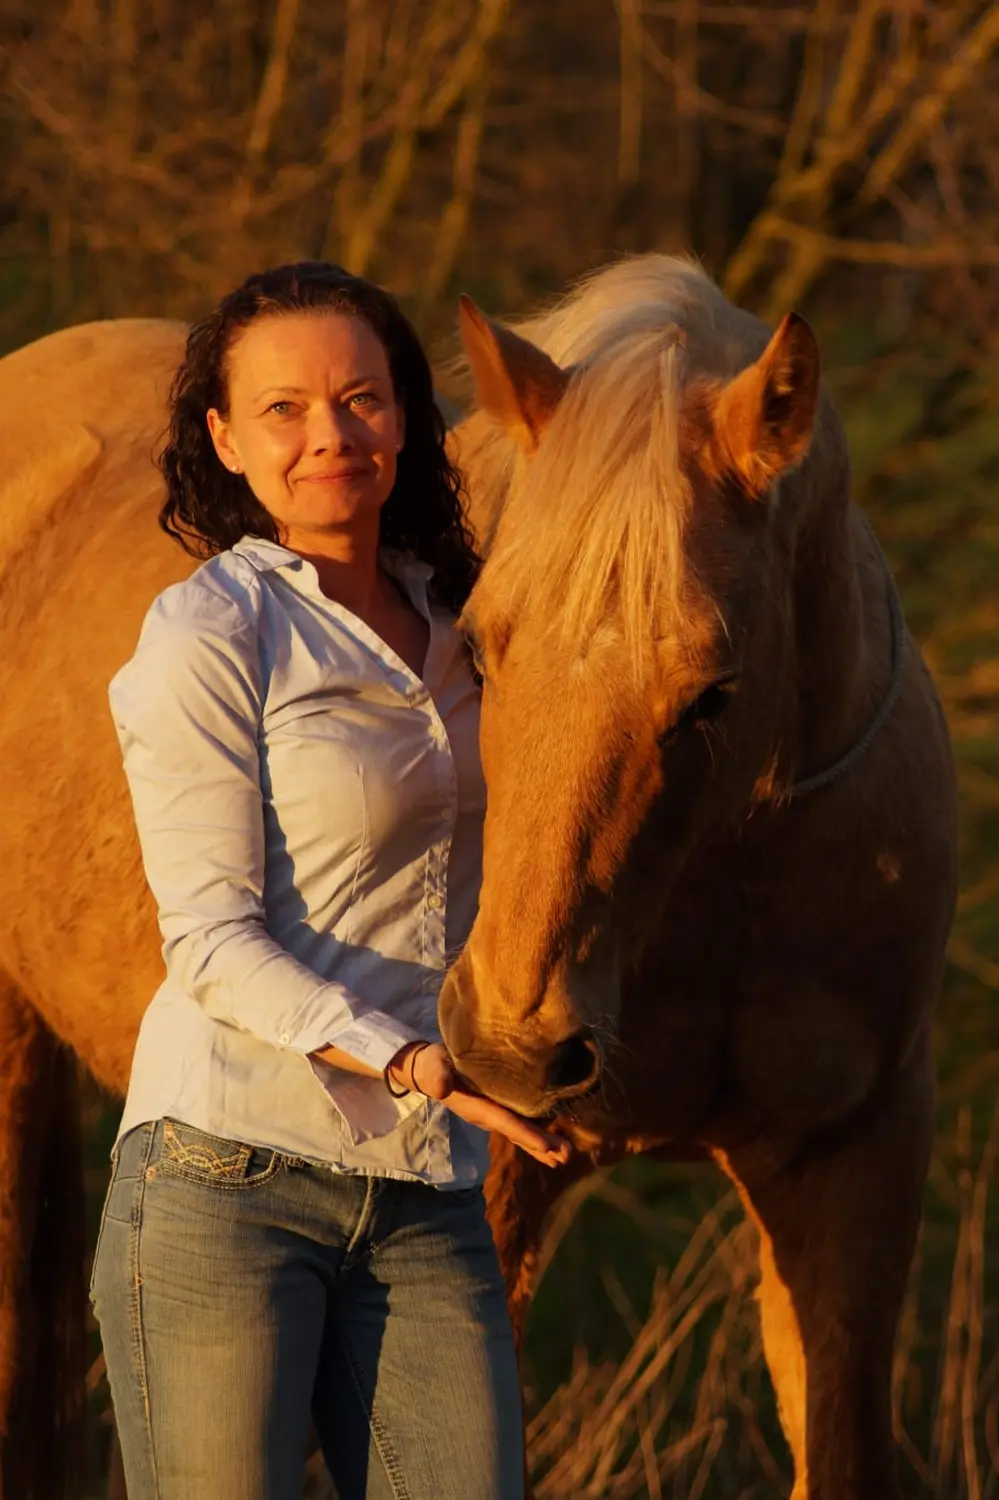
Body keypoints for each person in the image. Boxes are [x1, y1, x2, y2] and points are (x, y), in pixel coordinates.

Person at [90, 262, 571, 1500]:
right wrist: (410, 1058)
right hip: (223, 1176)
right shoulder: (210, 632)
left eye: (360, 400)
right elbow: (209, 941)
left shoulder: (479, 627)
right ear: (227, 440)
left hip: (425, 1192)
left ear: (406, 417)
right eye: (285, 411)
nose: (329, 437)